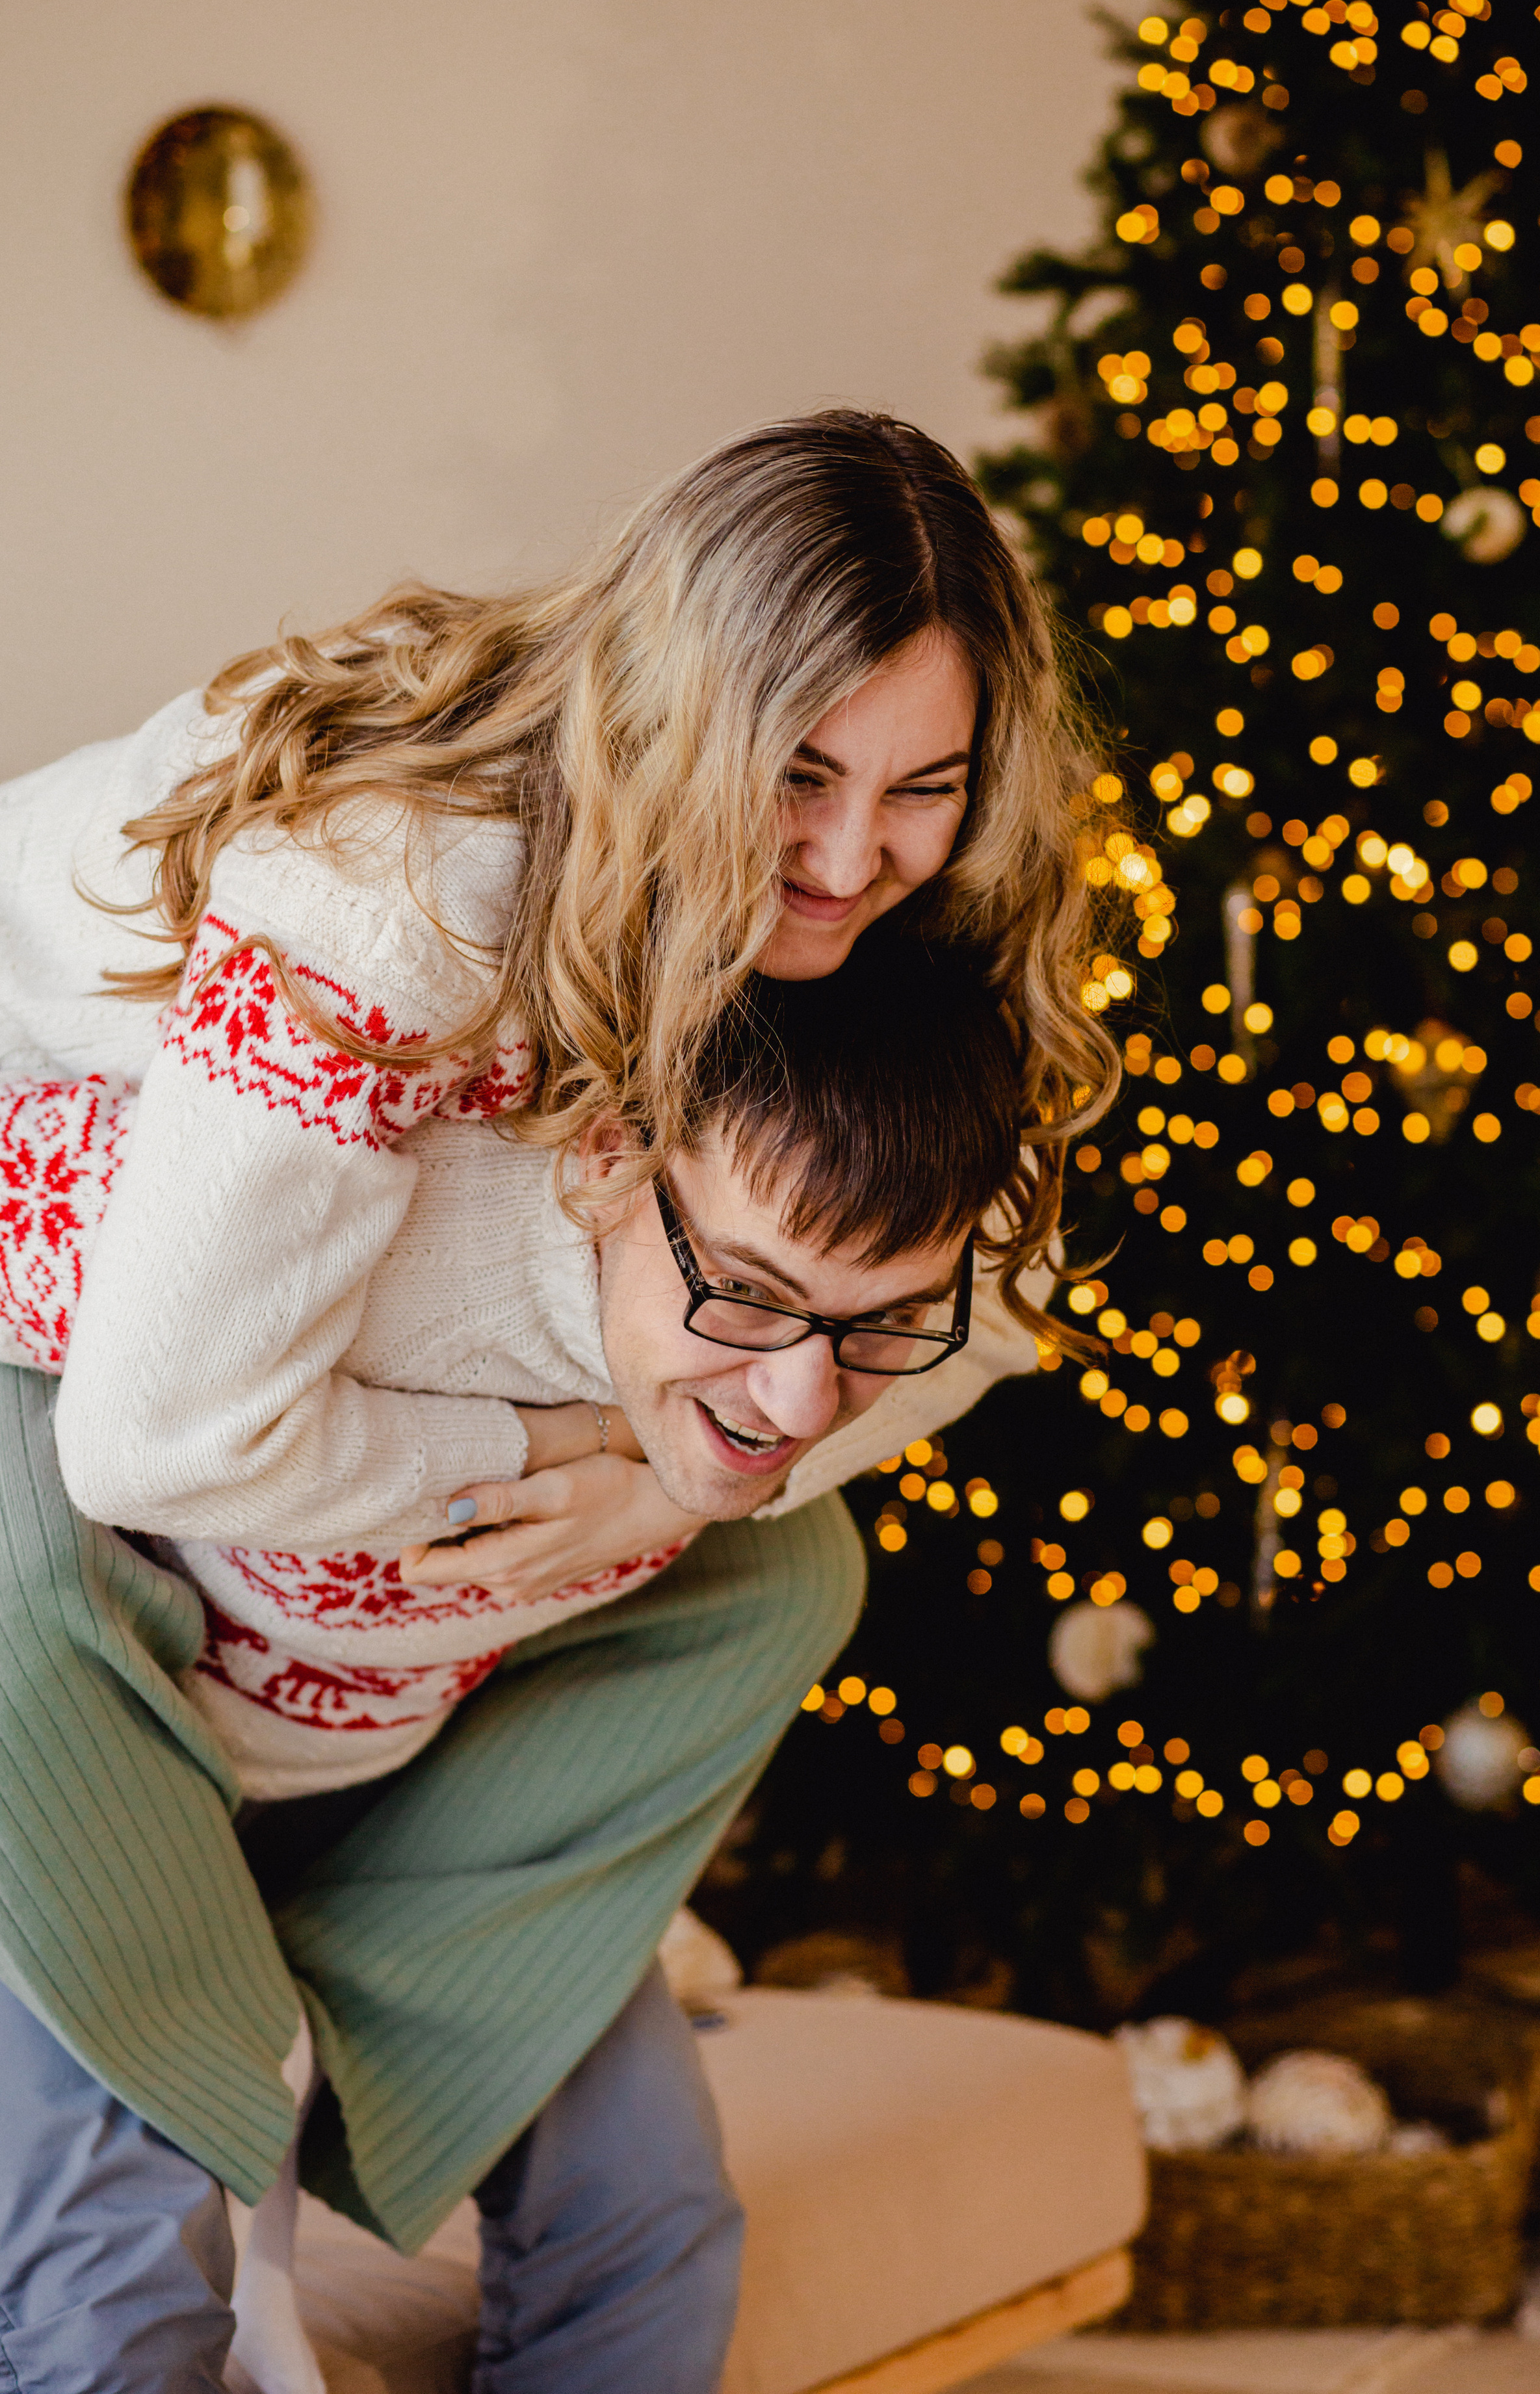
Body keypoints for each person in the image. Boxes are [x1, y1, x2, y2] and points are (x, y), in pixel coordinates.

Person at [0, 410, 1118, 2389]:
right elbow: (157, 1435)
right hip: (66, 1298)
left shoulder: (889, 927)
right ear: (689, 718)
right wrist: (570, 1450)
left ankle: (396, 1957)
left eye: (922, 783)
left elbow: (995, 1314)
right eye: (800, 773)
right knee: (112, 2218)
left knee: (786, 1576)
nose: (856, 855)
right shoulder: (399, 894)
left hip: (310, 1486)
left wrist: (665, 1496)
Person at [0, 934, 1030, 2393]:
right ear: (611, 1161)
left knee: (649, 2215)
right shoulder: (322, 1224)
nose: (802, 1398)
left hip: (380, 1814)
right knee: (119, 2277)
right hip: (79, 1785)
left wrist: (650, 1470)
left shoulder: (773, 1401)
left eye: (877, 1328)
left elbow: (1017, 1314)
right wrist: (505, 1447)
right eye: (744, 1293)